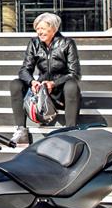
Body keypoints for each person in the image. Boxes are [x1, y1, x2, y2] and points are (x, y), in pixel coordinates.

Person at [10, 12, 82, 145]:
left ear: (53, 28)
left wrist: (54, 84)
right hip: (42, 94)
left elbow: (75, 73)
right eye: (37, 29)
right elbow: (25, 69)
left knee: (72, 85)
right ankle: (21, 131)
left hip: (61, 92)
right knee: (16, 84)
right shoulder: (34, 43)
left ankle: (71, 131)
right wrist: (32, 82)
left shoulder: (67, 43)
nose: (39, 32)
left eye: (42, 28)